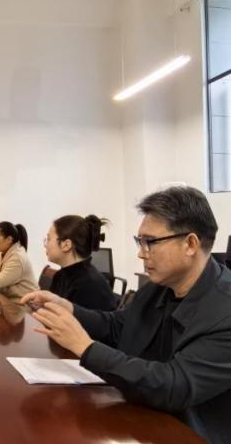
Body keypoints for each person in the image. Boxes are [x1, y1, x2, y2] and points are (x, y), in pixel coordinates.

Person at [21, 186, 231, 444]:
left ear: (190, 244)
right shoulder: (158, 288)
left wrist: (85, 347)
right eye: (139, 241)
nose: (141, 253)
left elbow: (173, 385)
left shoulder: (225, 310)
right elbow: (118, 325)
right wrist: (69, 308)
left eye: (150, 242)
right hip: (143, 418)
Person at [45, 214, 117, 311]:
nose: (46, 245)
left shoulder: (89, 286)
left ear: (66, 245)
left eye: (48, 239)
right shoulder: (60, 276)